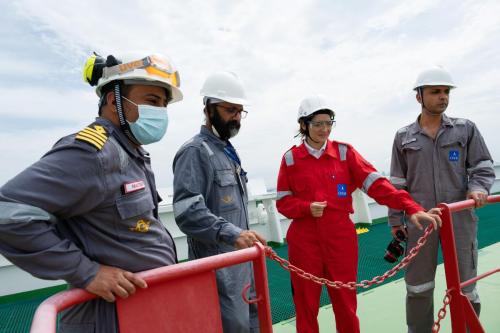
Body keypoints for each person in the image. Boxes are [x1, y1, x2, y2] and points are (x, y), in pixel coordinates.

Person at [0, 52, 182, 332]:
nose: (161, 112)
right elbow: (7, 212)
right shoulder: (93, 152)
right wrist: (87, 272)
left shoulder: (130, 153)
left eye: (164, 104)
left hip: (138, 311)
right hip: (107, 318)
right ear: (114, 101)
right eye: (152, 101)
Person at [276, 95, 443, 333]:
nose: (325, 129)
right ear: (304, 125)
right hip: (304, 243)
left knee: (345, 304)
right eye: (317, 124)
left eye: (328, 122)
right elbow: (282, 203)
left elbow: (378, 186)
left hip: (340, 240)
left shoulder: (345, 153)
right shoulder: (290, 159)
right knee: (305, 306)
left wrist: (411, 207)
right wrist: (305, 208)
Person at [389, 66, 495, 333]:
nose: (443, 96)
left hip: (460, 221)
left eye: (446, 91)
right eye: (435, 92)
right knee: (418, 286)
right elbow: (397, 184)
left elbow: (482, 167)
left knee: (466, 287)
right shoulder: (403, 137)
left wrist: (478, 187)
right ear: (419, 97)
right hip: (419, 223)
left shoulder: (465, 129)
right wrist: (395, 220)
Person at [172, 71, 265, 333]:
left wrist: (243, 237)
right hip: (218, 271)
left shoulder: (226, 153)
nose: (235, 116)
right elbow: (188, 213)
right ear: (208, 109)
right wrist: (232, 234)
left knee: (254, 323)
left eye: (239, 111)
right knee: (229, 327)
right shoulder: (194, 152)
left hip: (243, 265)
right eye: (229, 109)